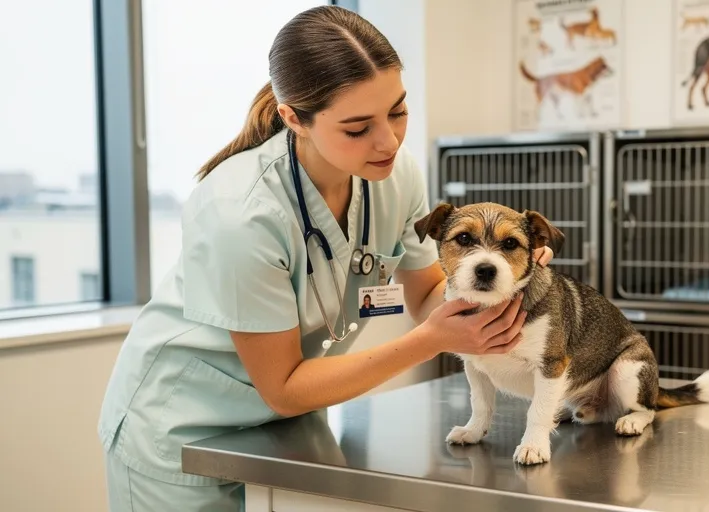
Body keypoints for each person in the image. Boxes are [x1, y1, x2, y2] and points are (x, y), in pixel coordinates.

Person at [97, 6, 553, 511]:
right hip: (184, 433)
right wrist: (432, 340)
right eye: (358, 128)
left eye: (398, 111)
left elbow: (425, 291)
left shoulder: (395, 177)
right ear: (295, 117)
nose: (389, 141)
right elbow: (284, 386)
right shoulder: (240, 213)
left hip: (290, 424)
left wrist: (503, 283)